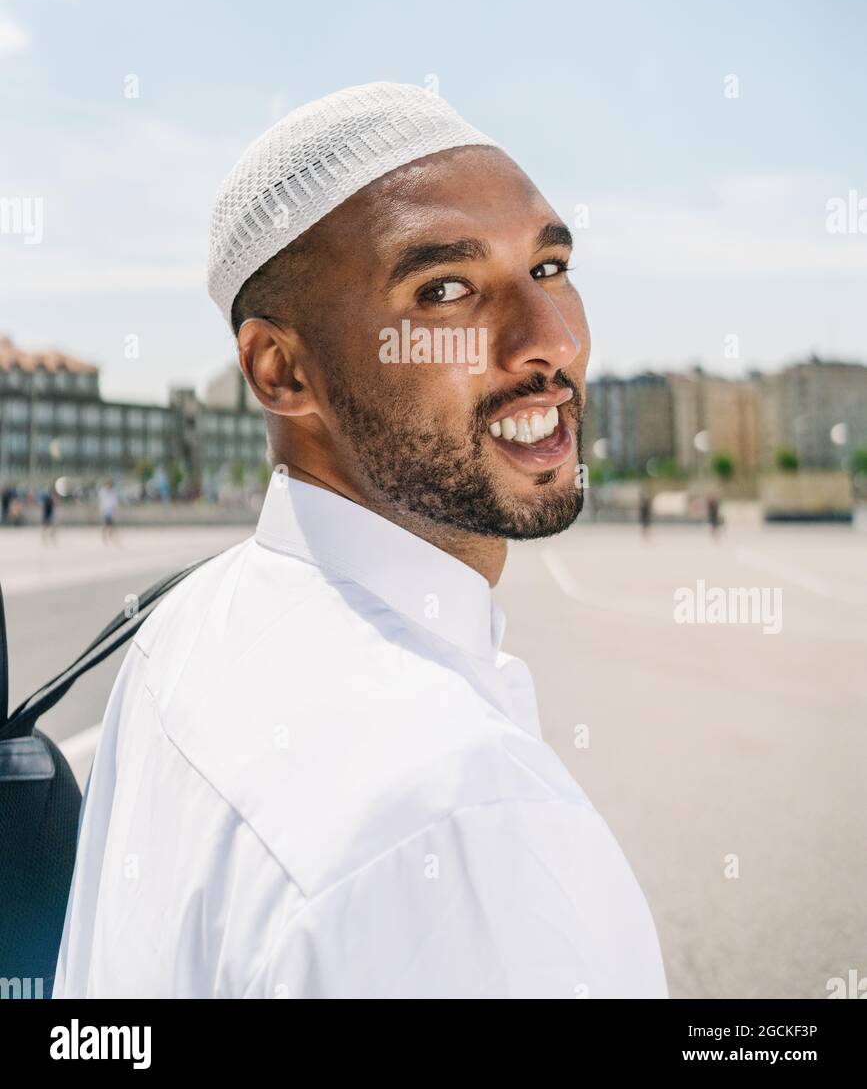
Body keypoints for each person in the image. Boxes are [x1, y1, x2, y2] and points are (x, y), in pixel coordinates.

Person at [54, 82, 667, 999]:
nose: (550, 342)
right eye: (445, 289)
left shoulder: (188, 623)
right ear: (281, 369)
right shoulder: (459, 821)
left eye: (546, 267)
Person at [97, 479, 119, 543]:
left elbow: (114, 501)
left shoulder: (113, 491)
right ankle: (107, 537)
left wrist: (115, 508)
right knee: (107, 524)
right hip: (105, 510)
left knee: (109, 524)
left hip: (110, 510)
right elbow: (101, 501)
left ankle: (108, 536)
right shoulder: (103, 491)